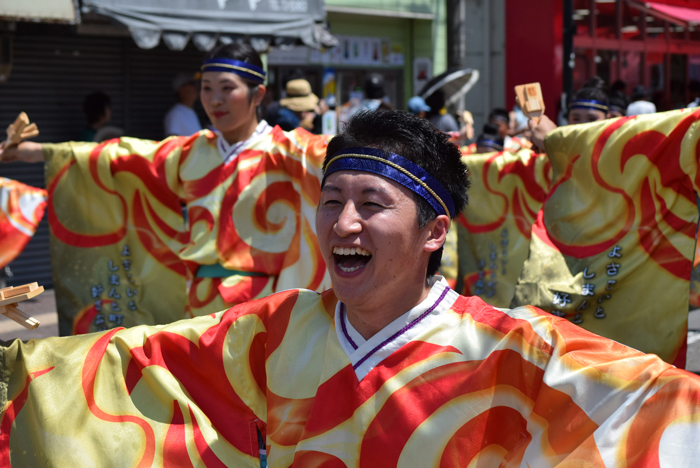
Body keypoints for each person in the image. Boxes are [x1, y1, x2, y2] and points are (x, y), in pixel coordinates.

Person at [2, 110, 700, 466]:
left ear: (434, 232)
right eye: (331, 200)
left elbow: (666, 411)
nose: (344, 221)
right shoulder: (268, 332)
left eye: (372, 203)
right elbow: (116, 372)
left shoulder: (515, 350)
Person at [0, 42, 331, 335]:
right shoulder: (192, 152)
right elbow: (122, 155)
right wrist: (38, 152)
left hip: (267, 300)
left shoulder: (292, 151)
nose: (214, 100)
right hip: (200, 302)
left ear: (257, 94)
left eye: (227, 88)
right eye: (207, 88)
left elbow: (343, 155)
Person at [163, 72, 202, 137]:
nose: (194, 87)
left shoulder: (191, 111)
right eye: (190, 84)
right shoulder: (175, 114)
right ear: (180, 90)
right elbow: (173, 142)